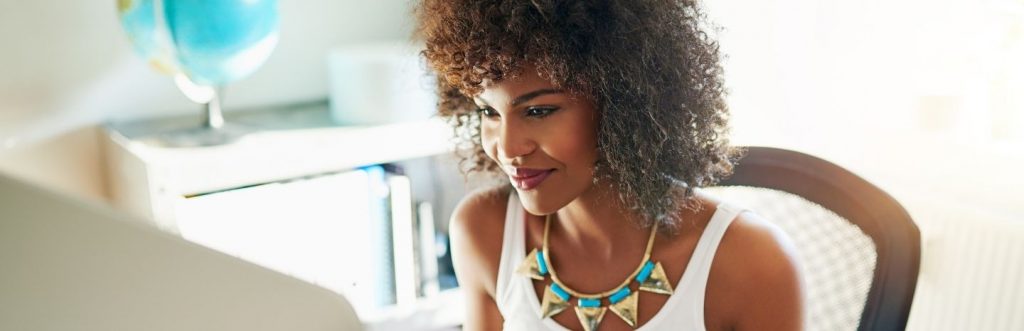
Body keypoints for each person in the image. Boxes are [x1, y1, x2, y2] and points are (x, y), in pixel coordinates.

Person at [415, 1, 805, 330]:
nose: (507, 147)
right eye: (489, 111)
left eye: (538, 110)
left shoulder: (751, 262)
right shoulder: (485, 232)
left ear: (624, 102)